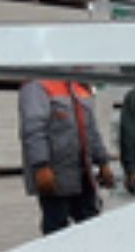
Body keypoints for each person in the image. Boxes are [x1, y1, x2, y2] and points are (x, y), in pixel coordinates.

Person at [19, 77, 114, 235]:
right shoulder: (37, 86)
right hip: (55, 177)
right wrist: (41, 166)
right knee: (57, 229)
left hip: (83, 176)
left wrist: (103, 162)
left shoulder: (80, 87)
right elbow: (33, 129)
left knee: (91, 228)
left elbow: (91, 130)